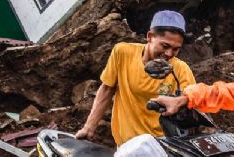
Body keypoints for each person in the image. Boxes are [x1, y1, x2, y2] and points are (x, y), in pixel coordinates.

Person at [76, 10, 196, 145]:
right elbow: (107, 90)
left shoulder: (181, 69)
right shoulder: (123, 53)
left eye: (175, 49)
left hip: (161, 146)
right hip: (127, 145)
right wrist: (89, 127)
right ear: (150, 36)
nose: (169, 53)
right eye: (165, 46)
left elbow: (192, 101)